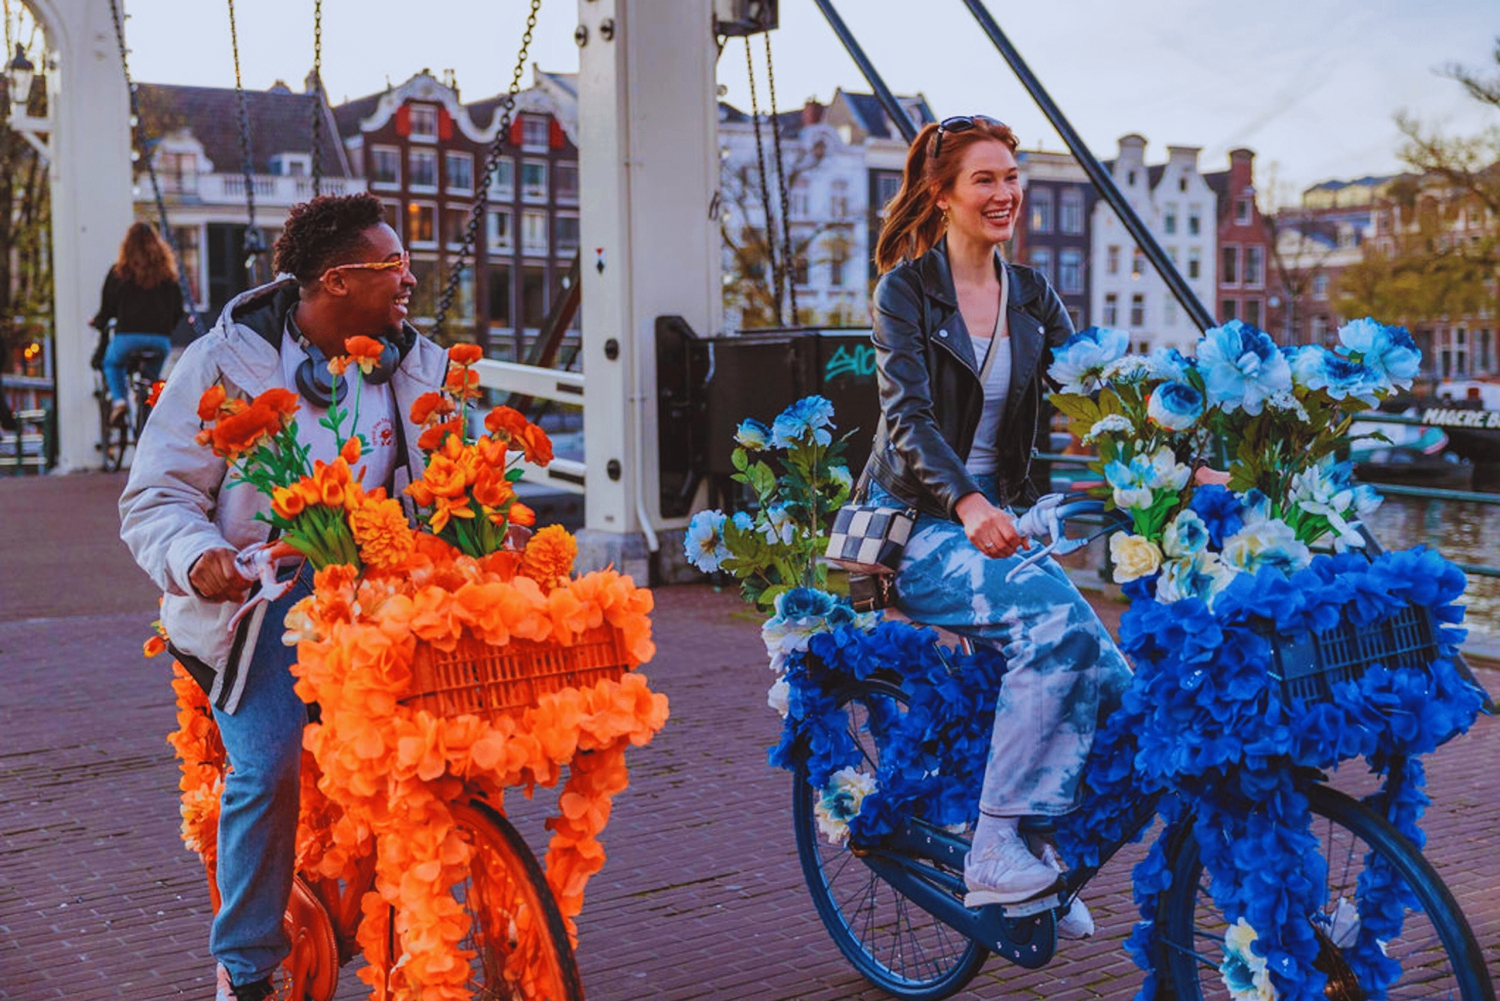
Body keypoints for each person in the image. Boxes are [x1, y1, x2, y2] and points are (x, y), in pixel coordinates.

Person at [118, 193, 445, 1001]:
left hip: (378, 594)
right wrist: (200, 561)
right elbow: (154, 497)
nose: (409, 277)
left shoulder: (417, 362)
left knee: (441, 756)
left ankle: (417, 929)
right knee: (267, 767)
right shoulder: (223, 364)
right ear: (335, 281)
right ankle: (247, 968)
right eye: (391, 264)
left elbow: (444, 483)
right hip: (261, 600)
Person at [859, 115, 1132, 929]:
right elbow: (908, 418)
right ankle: (994, 847)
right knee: (1054, 626)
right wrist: (968, 502)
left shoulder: (1032, 293)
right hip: (918, 523)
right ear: (942, 195)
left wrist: (1178, 459)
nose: (1006, 192)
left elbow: (1095, 392)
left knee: (1117, 683)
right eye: (984, 179)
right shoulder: (905, 291)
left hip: (1000, 524)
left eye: (1012, 175)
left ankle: (1046, 855)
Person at [91, 222, 184, 424]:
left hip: (128, 337)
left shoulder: (120, 272)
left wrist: (98, 322)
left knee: (112, 363)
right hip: (160, 341)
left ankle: (119, 401)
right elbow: (178, 309)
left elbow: (108, 307)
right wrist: (165, 329)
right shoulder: (167, 276)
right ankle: (148, 404)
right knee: (151, 378)